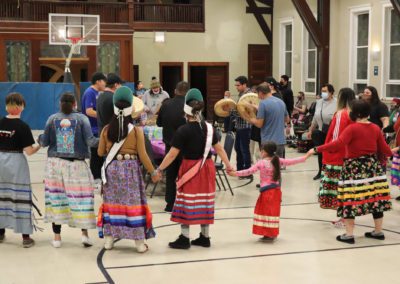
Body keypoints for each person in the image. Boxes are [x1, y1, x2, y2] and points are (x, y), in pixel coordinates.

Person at [157, 88, 234, 249]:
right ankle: (204, 237)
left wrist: (159, 169)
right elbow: (219, 149)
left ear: (185, 110)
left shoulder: (183, 130)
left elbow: (172, 155)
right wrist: (228, 165)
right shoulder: (209, 129)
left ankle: (184, 238)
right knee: (204, 200)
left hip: (189, 168)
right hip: (207, 168)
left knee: (186, 201)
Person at [308, 100, 393, 244]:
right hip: (373, 168)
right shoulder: (375, 128)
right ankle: (378, 232)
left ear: (358, 113)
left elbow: (338, 143)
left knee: (349, 200)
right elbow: (385, 150)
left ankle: (349, 234)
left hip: (353, 168)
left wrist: (317, 149)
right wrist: (393, 151)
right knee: (375, 198)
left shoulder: (352, 128)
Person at [97, 86, 159, 253]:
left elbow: (100, 152)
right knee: (133, 205)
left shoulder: (106, 130)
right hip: (131, 170)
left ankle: (109, 241)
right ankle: (139, 244)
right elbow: (143, 156)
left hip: (112, 170)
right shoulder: (136, 131)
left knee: (111, 204)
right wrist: (153, 172)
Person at [39, 93, 99, 248]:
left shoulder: (52, 119)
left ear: (60, 103)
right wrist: (106, 138)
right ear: (75, 104)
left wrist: (40, 137)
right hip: (76, 165)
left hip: (55, 165)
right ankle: (84, 235)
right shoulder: (82, 119)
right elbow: (91, 142)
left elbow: (44, 142)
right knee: (82, 199)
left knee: (56, 200)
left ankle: (57, 238)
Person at [229, 142, 311, 241]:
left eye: (262, 150)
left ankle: (267, 233)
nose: (261, 152)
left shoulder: (261, 162)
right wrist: (306, 156)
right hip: (276, 192)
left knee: (265, 213)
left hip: (266, 192)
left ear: (265, 152)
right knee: (272, 213)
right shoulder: (277, 160)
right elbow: (292, 161)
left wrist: (235, 173)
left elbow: (249, 171)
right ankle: (271, 233)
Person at [0, 93, 40, 248]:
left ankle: (1, 233)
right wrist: (40, 145)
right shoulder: (23, 126)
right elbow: (29, 151)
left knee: (2, 195)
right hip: (16, 162)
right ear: (20, 106)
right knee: (20, 196)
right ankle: (25, 237)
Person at [318, 88, 355, 227]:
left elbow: (336, 137)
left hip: (338, 156)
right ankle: (346, 217)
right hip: (350, 156)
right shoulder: (355, 114)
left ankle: (344, 218)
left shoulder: (341, 114)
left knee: (338, 190)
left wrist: (327, 150)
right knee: (346, 188)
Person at [157, 81, 189, 212]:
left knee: (170, 176)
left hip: (169, 145)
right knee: (186, 175)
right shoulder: (189, 106)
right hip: (185, 147)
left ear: (175, 91)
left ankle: (170, 204)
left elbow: (159, 123)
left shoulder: (166, 104)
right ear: (187, 93)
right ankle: (185, 202)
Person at [248, 84, 289, 158]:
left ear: (260, 92)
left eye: (257, 93)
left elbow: (259, 124)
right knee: (277, 167)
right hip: (280, 141)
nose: (257, 96)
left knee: (267, 167)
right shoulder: (281, 102)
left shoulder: (263, 104)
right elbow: (287, 119)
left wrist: (250, 119)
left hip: (268, 143)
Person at [306, 84, 337, 180]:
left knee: (329, 152)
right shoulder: (319, 102)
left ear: (331, 92)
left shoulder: (336, 103)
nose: (323, 93)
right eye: (322, 91)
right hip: (320, 131)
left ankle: (330, 172)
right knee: (320, 152)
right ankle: (321, 171)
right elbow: (315, 118)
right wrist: (310, 130)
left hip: (331, 133)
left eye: (325, 91)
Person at [81, 72, 107, 182]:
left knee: (100, 153)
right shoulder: (90, 93)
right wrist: (103, 115)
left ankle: (99, 176)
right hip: (92, 129)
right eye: (104, 81)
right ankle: (95, 177)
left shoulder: (99, 93)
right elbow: (89, 111)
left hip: (98, 128)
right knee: (96, 154)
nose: (105, 83)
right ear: (98, 81)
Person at [229, 76, 252, 178]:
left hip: (245, 127)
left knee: (244, 150)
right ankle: (240, 170)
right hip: (239, 126)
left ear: (244, 84)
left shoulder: (249, 96)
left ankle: (247, 172)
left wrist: (231, 110)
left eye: (238, 85)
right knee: (238, 148)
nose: (236, 87)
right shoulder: (241, 94)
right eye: (236, 85)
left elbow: (245, 112)